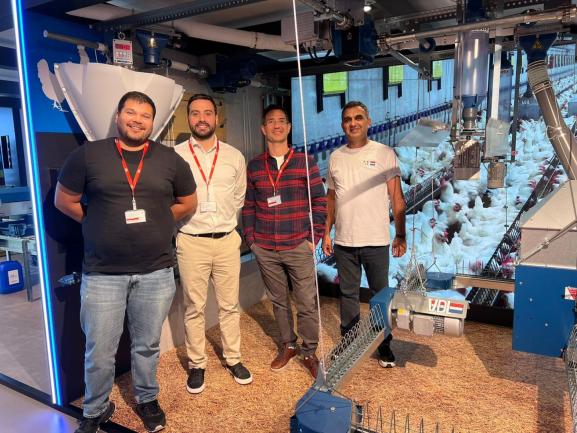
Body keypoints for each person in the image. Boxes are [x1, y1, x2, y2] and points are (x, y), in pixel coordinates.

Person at [54, 91, 197, 433]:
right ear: (118, 116)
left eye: (145, 115)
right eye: (130, 112)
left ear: (153, 122)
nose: (137, 120)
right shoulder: (88, 155)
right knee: (99, 350)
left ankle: (146, 398)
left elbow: (188, 202)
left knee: (147, 345)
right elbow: (64, 200)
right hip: (102, 274)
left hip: (156, 272)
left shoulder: (170, 160)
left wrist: (160, 221)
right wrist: (95, 222)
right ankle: (95, 410)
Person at [175, 94, 251, 395]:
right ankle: (197, 364)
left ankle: (233, 358)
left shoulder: (234, 156)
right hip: (191, 240)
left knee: (229, 305)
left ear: (216, 118)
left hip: (226, 240)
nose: (202, 119)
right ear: (189, 118)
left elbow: (239, 197)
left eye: (207, 113)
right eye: (195, 113)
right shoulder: (176, 156)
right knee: (194, 307)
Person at [242, 105, 326, 378]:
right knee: (278, 301)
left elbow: (319, 201)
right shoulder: (255, 166)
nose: (276, 125)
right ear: (263, 129)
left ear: (288, 127)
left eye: (281, 121)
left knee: (306, 302)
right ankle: (288, 345)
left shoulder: (305, 162)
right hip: (265, 247)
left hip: (297, 244)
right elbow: (249, 206)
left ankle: (309, 351)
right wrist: (252, 241)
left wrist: (312, 238)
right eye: (271, 121)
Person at [322, 100, 407, 368]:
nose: (353, 123)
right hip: (344, 240)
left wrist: (401, 235)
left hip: (376, 240)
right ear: (342, 125)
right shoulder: (336, 157)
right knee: (348, 294)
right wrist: (326, 233)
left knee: (379, 295)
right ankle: (348, 342)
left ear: (368, 122)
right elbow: (331, 199)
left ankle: (384, 345)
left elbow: (397, 197)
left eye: (358, 118)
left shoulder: (384, 153)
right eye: (348, 119)